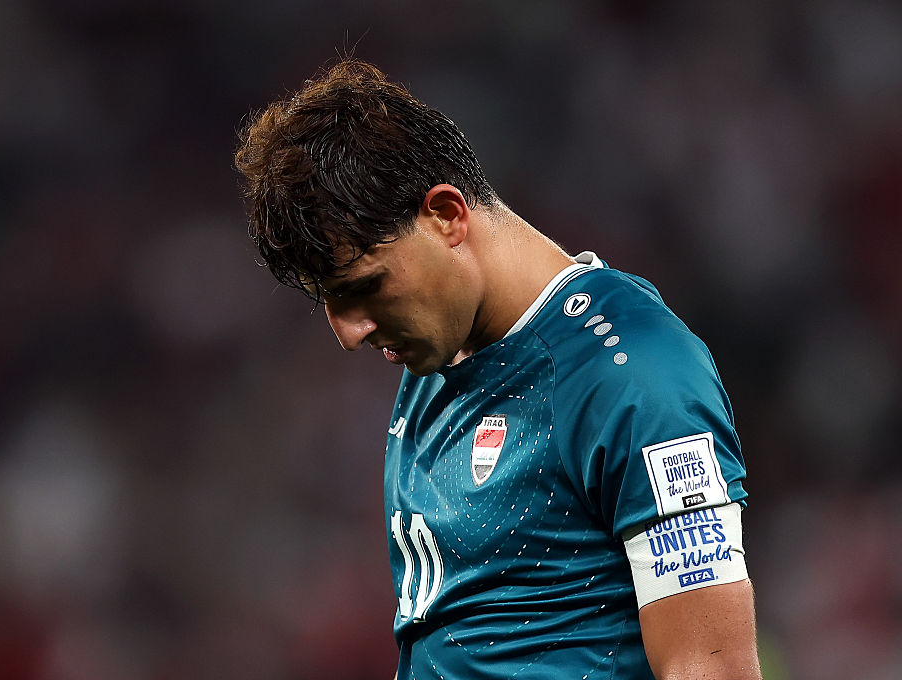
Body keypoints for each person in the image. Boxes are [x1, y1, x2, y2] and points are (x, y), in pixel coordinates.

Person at [234, 59, 762, 680]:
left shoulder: (631, 371)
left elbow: (713, 668)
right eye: (327, 300)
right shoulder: (433, 365)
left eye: (365, 287)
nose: (350, 332)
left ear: (446, 215)